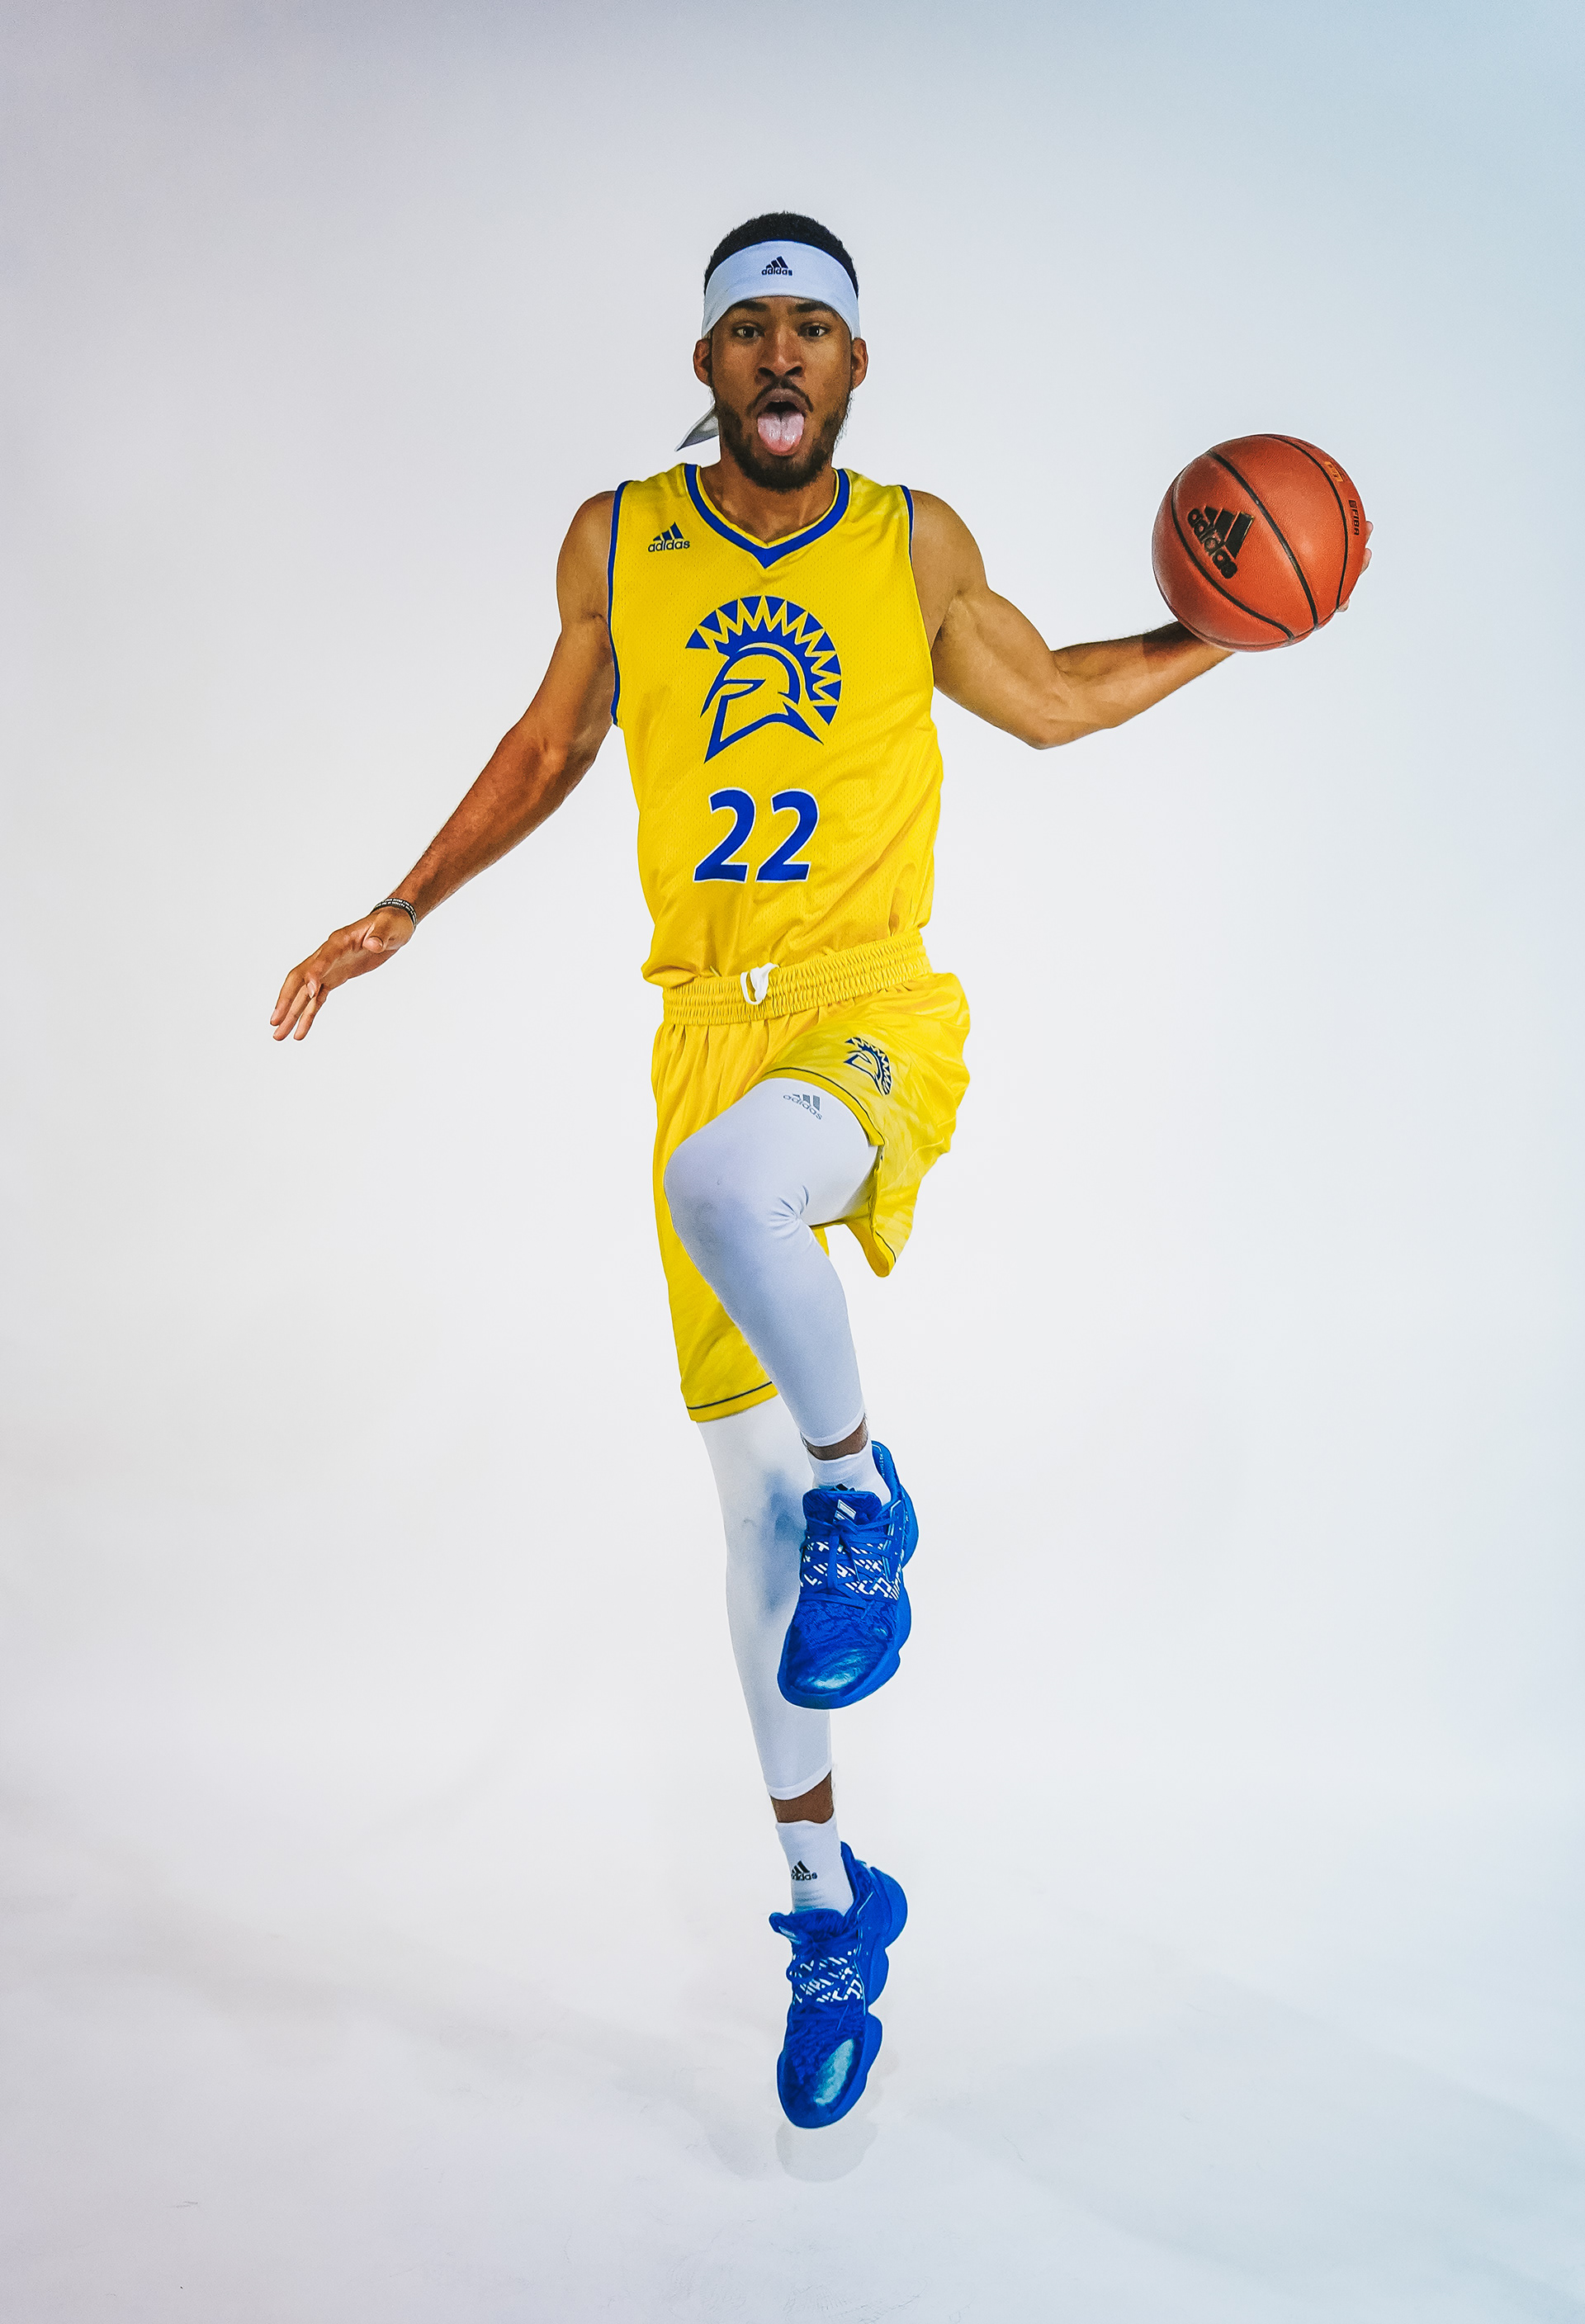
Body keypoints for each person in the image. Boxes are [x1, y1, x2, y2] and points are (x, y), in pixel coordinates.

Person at [272, 210, 1237, 2130]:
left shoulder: (912, 543)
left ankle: (872, 1490)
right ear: (707, 362)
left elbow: (1051, 701)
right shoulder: (618, 539)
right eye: (748, 328)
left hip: (870, 1006)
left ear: (856, 366)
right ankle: (822, 1903)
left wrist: (1234, 624)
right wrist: (405, 903)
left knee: (735, 1201)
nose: (780, 352)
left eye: (813, 326)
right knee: (751, 1532)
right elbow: (550, 743)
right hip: (707, 1028)